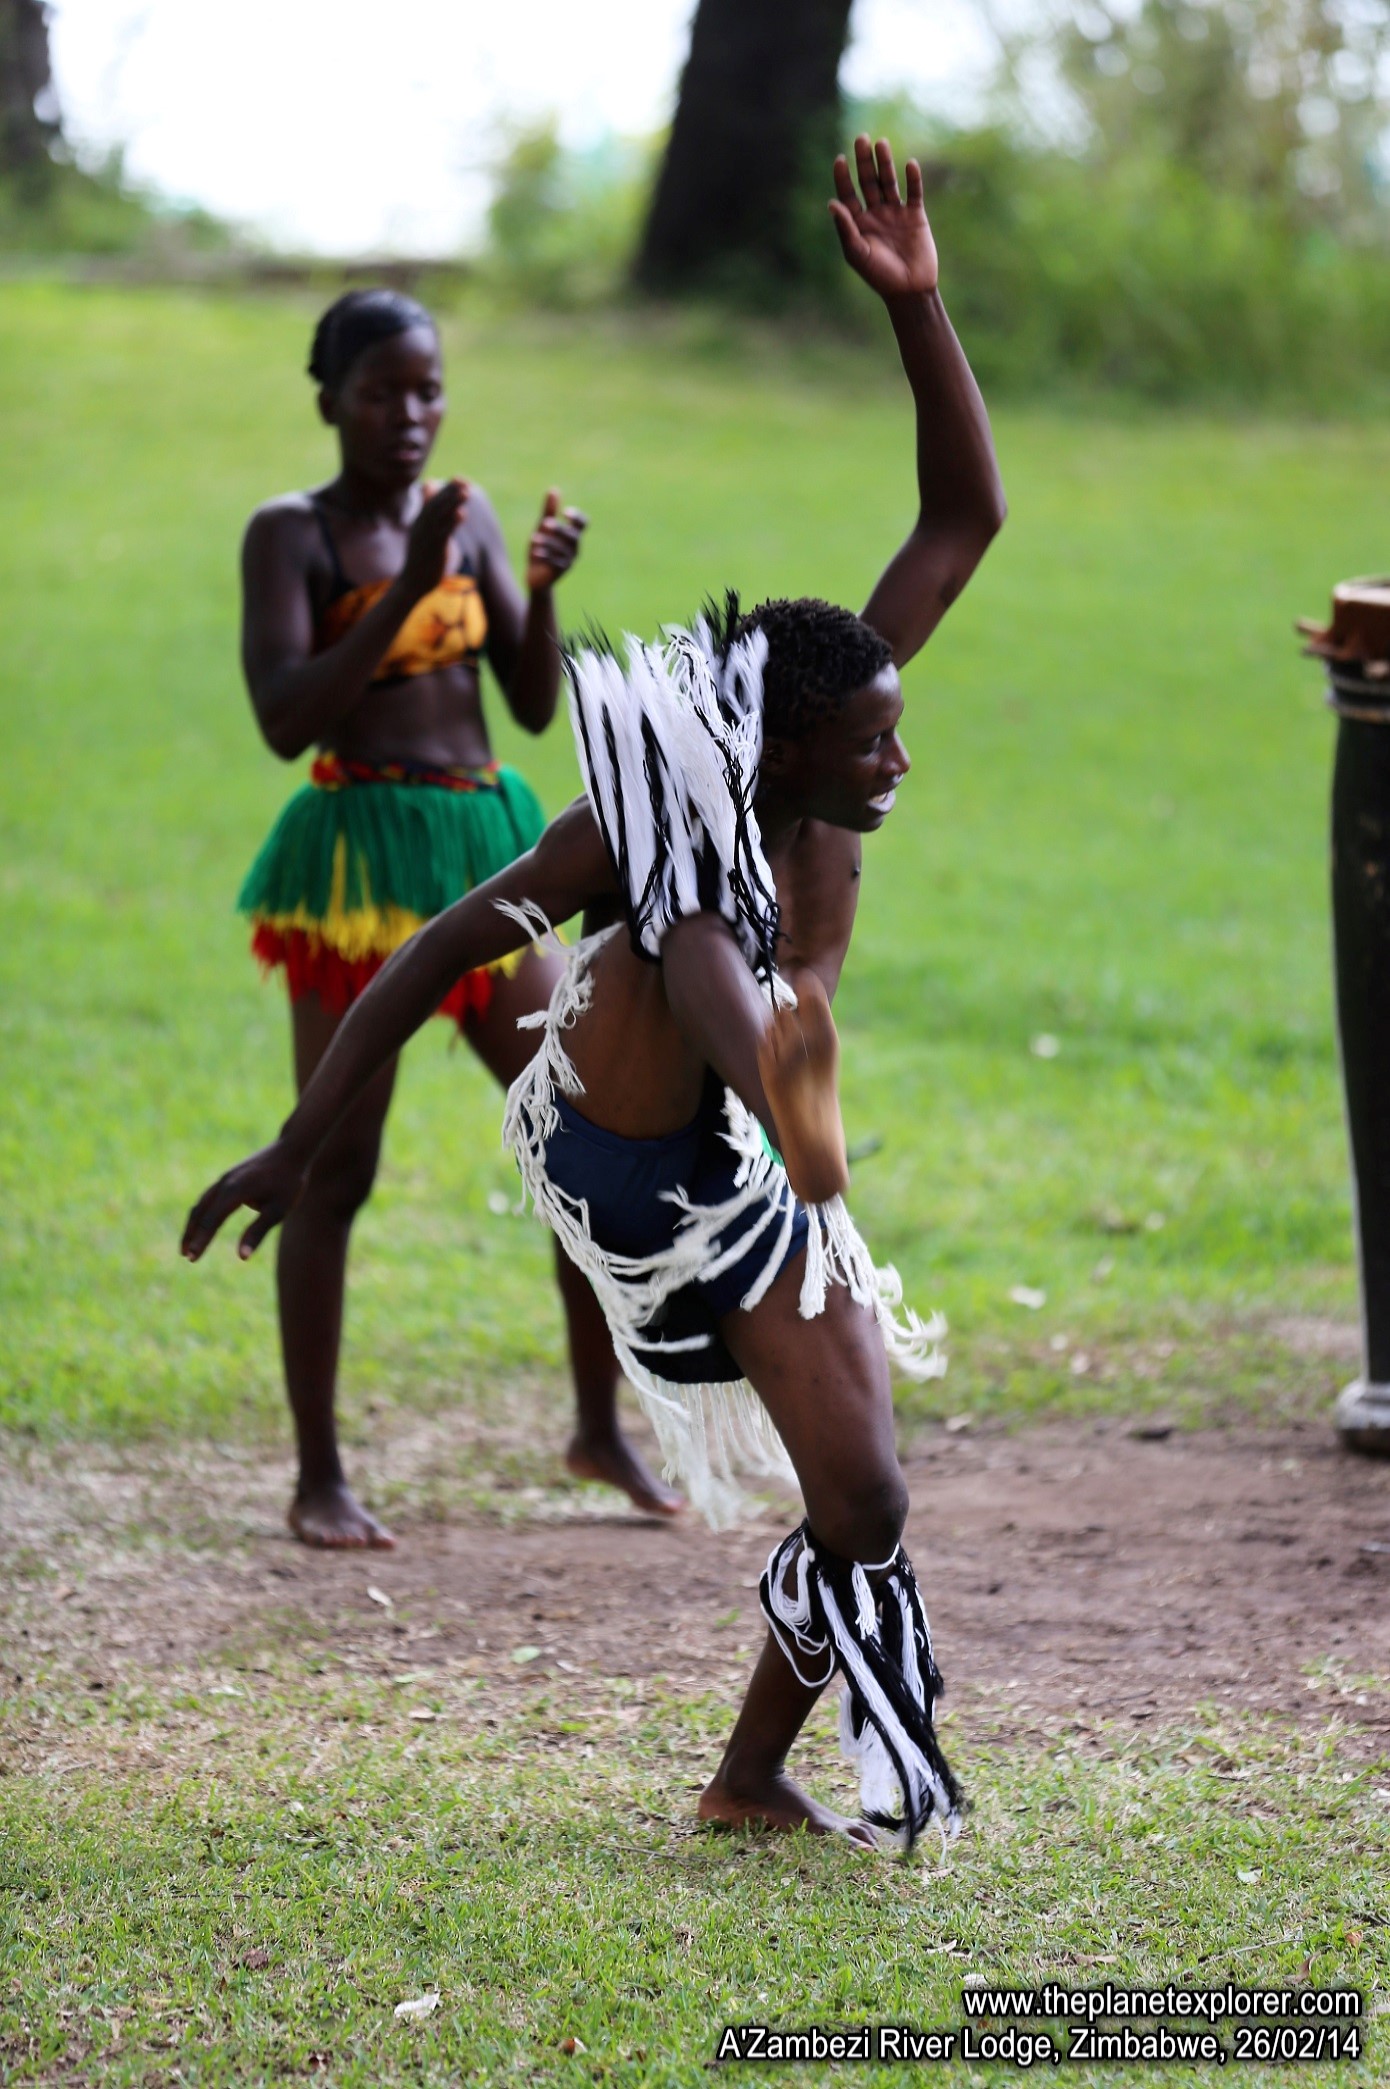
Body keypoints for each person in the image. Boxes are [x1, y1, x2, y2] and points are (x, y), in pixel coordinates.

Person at [187, 140, 1006, 1846]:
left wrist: (922, 312)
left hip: (748, 1153)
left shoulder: (827, 702)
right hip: (625, 1148)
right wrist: (296, 1138)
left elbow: (960, 518)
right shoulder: (651, 840)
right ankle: (773, 1093)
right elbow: (436, 949)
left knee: (865, 1493)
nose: (904, 757)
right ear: (784, 756)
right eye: (877, 747)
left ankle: (744, 1775)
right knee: (702, 947)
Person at [235, 284, 678, 1549]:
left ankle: (598, 1428)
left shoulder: (466, 511)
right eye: (383, 393)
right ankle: (319, 1474)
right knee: (331, 1168)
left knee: (584, 1137)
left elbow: (531, 707)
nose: (411, 415)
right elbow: (287, 719)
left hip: (484, 844)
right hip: (361, 860)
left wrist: (532, 588)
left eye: (427, 390)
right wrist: (410, 582)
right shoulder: (294, 535)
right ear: (329, 401)